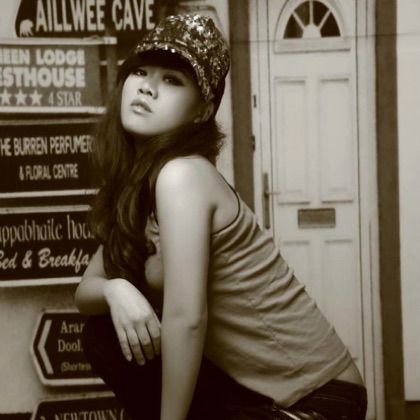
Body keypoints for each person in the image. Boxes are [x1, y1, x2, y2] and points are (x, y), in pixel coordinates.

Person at [74, 13, 367, 420]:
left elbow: (187, 319)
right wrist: (115, 290)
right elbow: (85, 292)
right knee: (103, 334)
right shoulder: (139, 190)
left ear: (202, 111)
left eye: (172, 80)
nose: (147, 87)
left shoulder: (183, 176)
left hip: (318, 400)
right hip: (251, 395)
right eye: (140, 72)